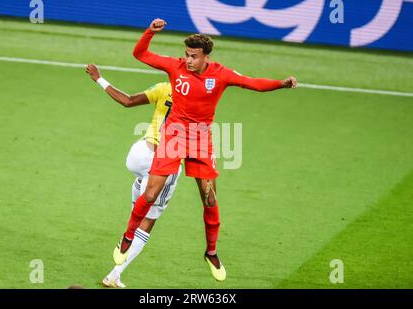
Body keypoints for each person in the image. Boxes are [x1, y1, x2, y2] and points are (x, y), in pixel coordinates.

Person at [113, 18, 297, 282]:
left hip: (200, 140)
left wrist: (282, 83)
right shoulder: (175, 67)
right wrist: (149, 33)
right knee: (151, 192)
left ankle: (211, 252)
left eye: (194, 56)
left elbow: (252, 83)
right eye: (186, 55)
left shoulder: (220, 73)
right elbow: (140, 54)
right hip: (174, 137)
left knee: (209, 198)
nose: (188, 60)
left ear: (206, 57)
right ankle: (128, 236)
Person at [85, 64, 182, 288]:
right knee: (148, 221)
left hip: (138, 155)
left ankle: (140, 192)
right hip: (162, 162)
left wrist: (99, 79)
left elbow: (127, 100)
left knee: (141, 193)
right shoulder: (198, 103)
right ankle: (114, 275)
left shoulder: (164, 88)